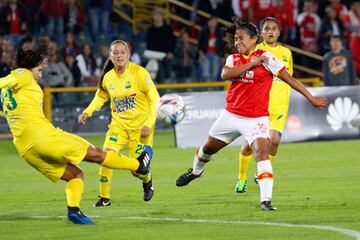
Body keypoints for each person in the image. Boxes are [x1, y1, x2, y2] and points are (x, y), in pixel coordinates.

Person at [175, 19, 328, 211]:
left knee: (262, 153)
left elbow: (290, 79)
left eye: (241, 38)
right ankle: (196, 172)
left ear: (254, 39)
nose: (238, 42)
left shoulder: (268, 59)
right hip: (231, 116)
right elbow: (225, 75)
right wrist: (252, 63)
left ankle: (266, 201)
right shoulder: (234, 59)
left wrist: (311, 98)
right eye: (236, 39)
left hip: (256, 118)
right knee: (207, 150)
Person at [0, 47, 153, 224]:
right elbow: (5, 80)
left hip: (25, 148)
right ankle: (138, 165)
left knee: (75, 175)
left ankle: (74, 211)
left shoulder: (9, 91)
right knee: (96, 154)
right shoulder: (22, 74)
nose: (40, 75)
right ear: (29, 67)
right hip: (43, 137)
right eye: (39, 70)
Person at [78, 40, 160, 207]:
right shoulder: (108, 78)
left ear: (128, 55)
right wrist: (87, 111)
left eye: (122, 52)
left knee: (136, 171)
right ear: (110, 56)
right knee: (106, 157)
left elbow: (155, 99)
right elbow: (100, 97)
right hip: (118, 127)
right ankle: (104, 198)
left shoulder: (139, 73)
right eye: (115, 53)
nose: (119, 55)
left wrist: (149, 123)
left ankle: (147, 180)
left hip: (141, 129)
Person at [235, 17, 293, 194]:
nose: (271, 31)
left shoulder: (287, 53)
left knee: (274, 141)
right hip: (259, 106)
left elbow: (288, 77)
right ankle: (241, 177)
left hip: (279, 105)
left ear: (279, 32)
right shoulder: (257, 51)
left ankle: (260, 174)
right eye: (267, 28)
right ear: (260, 33)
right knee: (248, 146)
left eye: (274, 28)